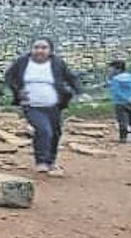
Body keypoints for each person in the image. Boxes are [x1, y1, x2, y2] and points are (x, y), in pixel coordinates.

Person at [5, 37, 82, 176]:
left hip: (54, 106)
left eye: (44, 48)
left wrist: (78, 92)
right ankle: (41, 161)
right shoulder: (22, 62)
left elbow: (72, 78)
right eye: (36, 47)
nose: (39, 51)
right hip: (31, 105)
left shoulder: (57, 63)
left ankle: (51, 160)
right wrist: (18, 90)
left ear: (50, 50)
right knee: (43, 130)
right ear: (31, 49)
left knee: (55, 133)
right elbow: (9, 77)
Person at [108, 60, 131, 144]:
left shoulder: (115, 79)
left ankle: (123, 138)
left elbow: (116, 91)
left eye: (111, 69)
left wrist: (124, 98)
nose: (110, 71)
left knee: (122, 121)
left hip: (120, 103)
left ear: (117, 69)